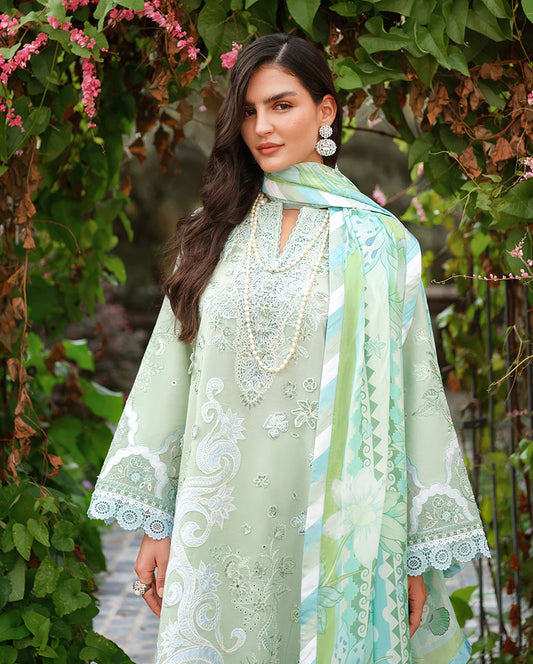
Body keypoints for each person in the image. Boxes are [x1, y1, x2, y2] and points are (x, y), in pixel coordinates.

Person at [88, 33, 489, 664]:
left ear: (325, 111)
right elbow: (171, 376)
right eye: (249, 111)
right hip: (215, 526)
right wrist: (157, 528)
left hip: (335, 526)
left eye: (281, 105)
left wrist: (413, 559)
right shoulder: (211, 233)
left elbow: (416, 399)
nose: (262, 128)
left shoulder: (380, 244)